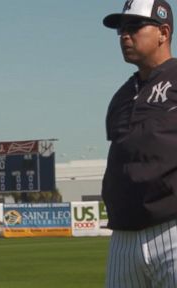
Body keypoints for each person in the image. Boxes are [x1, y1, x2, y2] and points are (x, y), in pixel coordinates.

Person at [102, 0, 177, 287]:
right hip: (123, 236)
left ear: (163, 32)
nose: (124, 35)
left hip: (172, 230)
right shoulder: (121, 97)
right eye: (121, 28)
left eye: (134, 26)